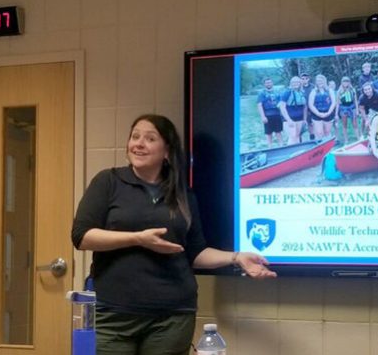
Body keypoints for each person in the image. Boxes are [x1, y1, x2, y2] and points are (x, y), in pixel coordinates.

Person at [71, 114, 276, 355]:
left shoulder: (182, 194)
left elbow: (196, 252)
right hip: (113, 314)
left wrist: (236, 257)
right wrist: (138, 239)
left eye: (149, 138)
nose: (138, 143)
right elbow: (82, 236)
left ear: (166, 150)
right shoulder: (109, 181)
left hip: (171, 317)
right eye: (135, 136)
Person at [256, 77, 284, 148]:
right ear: (264, 84)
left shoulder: (278, 92)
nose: (268, 84)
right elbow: (259, 105)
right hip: (267, 116)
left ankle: (281, 146)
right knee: (268, 133)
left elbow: (281, 102)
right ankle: (270, 147)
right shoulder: (261, 93)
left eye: (270, 82)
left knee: (278, 132)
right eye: (267, 83)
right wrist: (263, 116)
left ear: (272, 83)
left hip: (277, 115)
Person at [279, 76, 307, 145]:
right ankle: (290, 153)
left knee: (297, 136)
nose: (295, 84)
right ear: (291, 83)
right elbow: (282, 107)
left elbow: (305, 108)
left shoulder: (302, 93)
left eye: (297, 82)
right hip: (289, 119)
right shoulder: (287, 93)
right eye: (293, 82)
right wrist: (288, 120)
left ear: (300, 83)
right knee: (292, 136)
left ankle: (298, 153)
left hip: (299, 119)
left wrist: (305, 119)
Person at [307, 74, 336, 140]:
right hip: (316, 114)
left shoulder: (330, 91)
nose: (320, 82)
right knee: (319, 133)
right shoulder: (313, 91)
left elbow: (333, 102)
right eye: (318, 81)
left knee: (327, 132)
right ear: (316, 82)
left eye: (321, 81)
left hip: (328, 113)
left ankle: (328, 147)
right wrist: (318, 114)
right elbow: (310, 104)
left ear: (324, 81)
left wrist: (328, 112)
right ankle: (320, 147)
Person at [336, 76, 359, 143]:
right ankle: (346, 140)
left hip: (352, 107)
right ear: (342, 82)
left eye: (347, 81)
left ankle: (358, 138)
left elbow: (355, 101)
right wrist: (336, 114)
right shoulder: (339, 91)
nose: (345, 83)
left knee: (355, 123)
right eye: (344, 81)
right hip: (343, 108)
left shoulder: (352, 90)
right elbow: (337, 103)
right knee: (344, 124)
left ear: (349, 82)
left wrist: (357, 110)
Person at [300, 73, 315, 141]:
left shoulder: (313, 87)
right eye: (302, 79)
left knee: (311, 124)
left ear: (308, 79)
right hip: (301, 109)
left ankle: (312, 138)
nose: (304, 80)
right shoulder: (299, 87)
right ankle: (299, 140)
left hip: (312, 108)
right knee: (301, 125)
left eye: (306, 78)